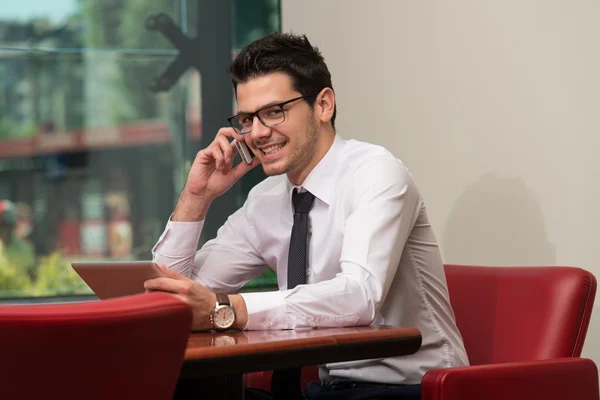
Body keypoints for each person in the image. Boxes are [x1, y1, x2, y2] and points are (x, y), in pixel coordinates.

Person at [146, 32, 469, 400]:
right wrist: (196, 197)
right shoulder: (267, 200)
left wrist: (229, 309)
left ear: (324, 105)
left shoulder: (376, 173)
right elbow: (173, 298)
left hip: (413, 388)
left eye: (273, 112)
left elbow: (359, 295)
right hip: (326, 391)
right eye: (248, 118)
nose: (258, 133)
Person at [0, 200, 36, 281]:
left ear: (11, 227)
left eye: (5, 227)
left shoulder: (24, 250)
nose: (2, 232)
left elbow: (32, 280)